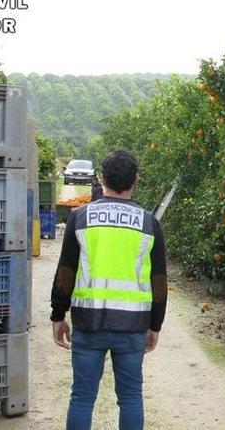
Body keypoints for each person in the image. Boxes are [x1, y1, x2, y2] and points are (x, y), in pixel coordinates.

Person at [50, 149, 168, 430]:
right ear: (135, 180)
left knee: (81, 397)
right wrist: (155, 325)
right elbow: (159, 282)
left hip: (89, 324)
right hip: (132, 326)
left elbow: (65, 273)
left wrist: (58, 315)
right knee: (130, 398)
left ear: (101, 178)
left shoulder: (79, 218)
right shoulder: (149, 224)